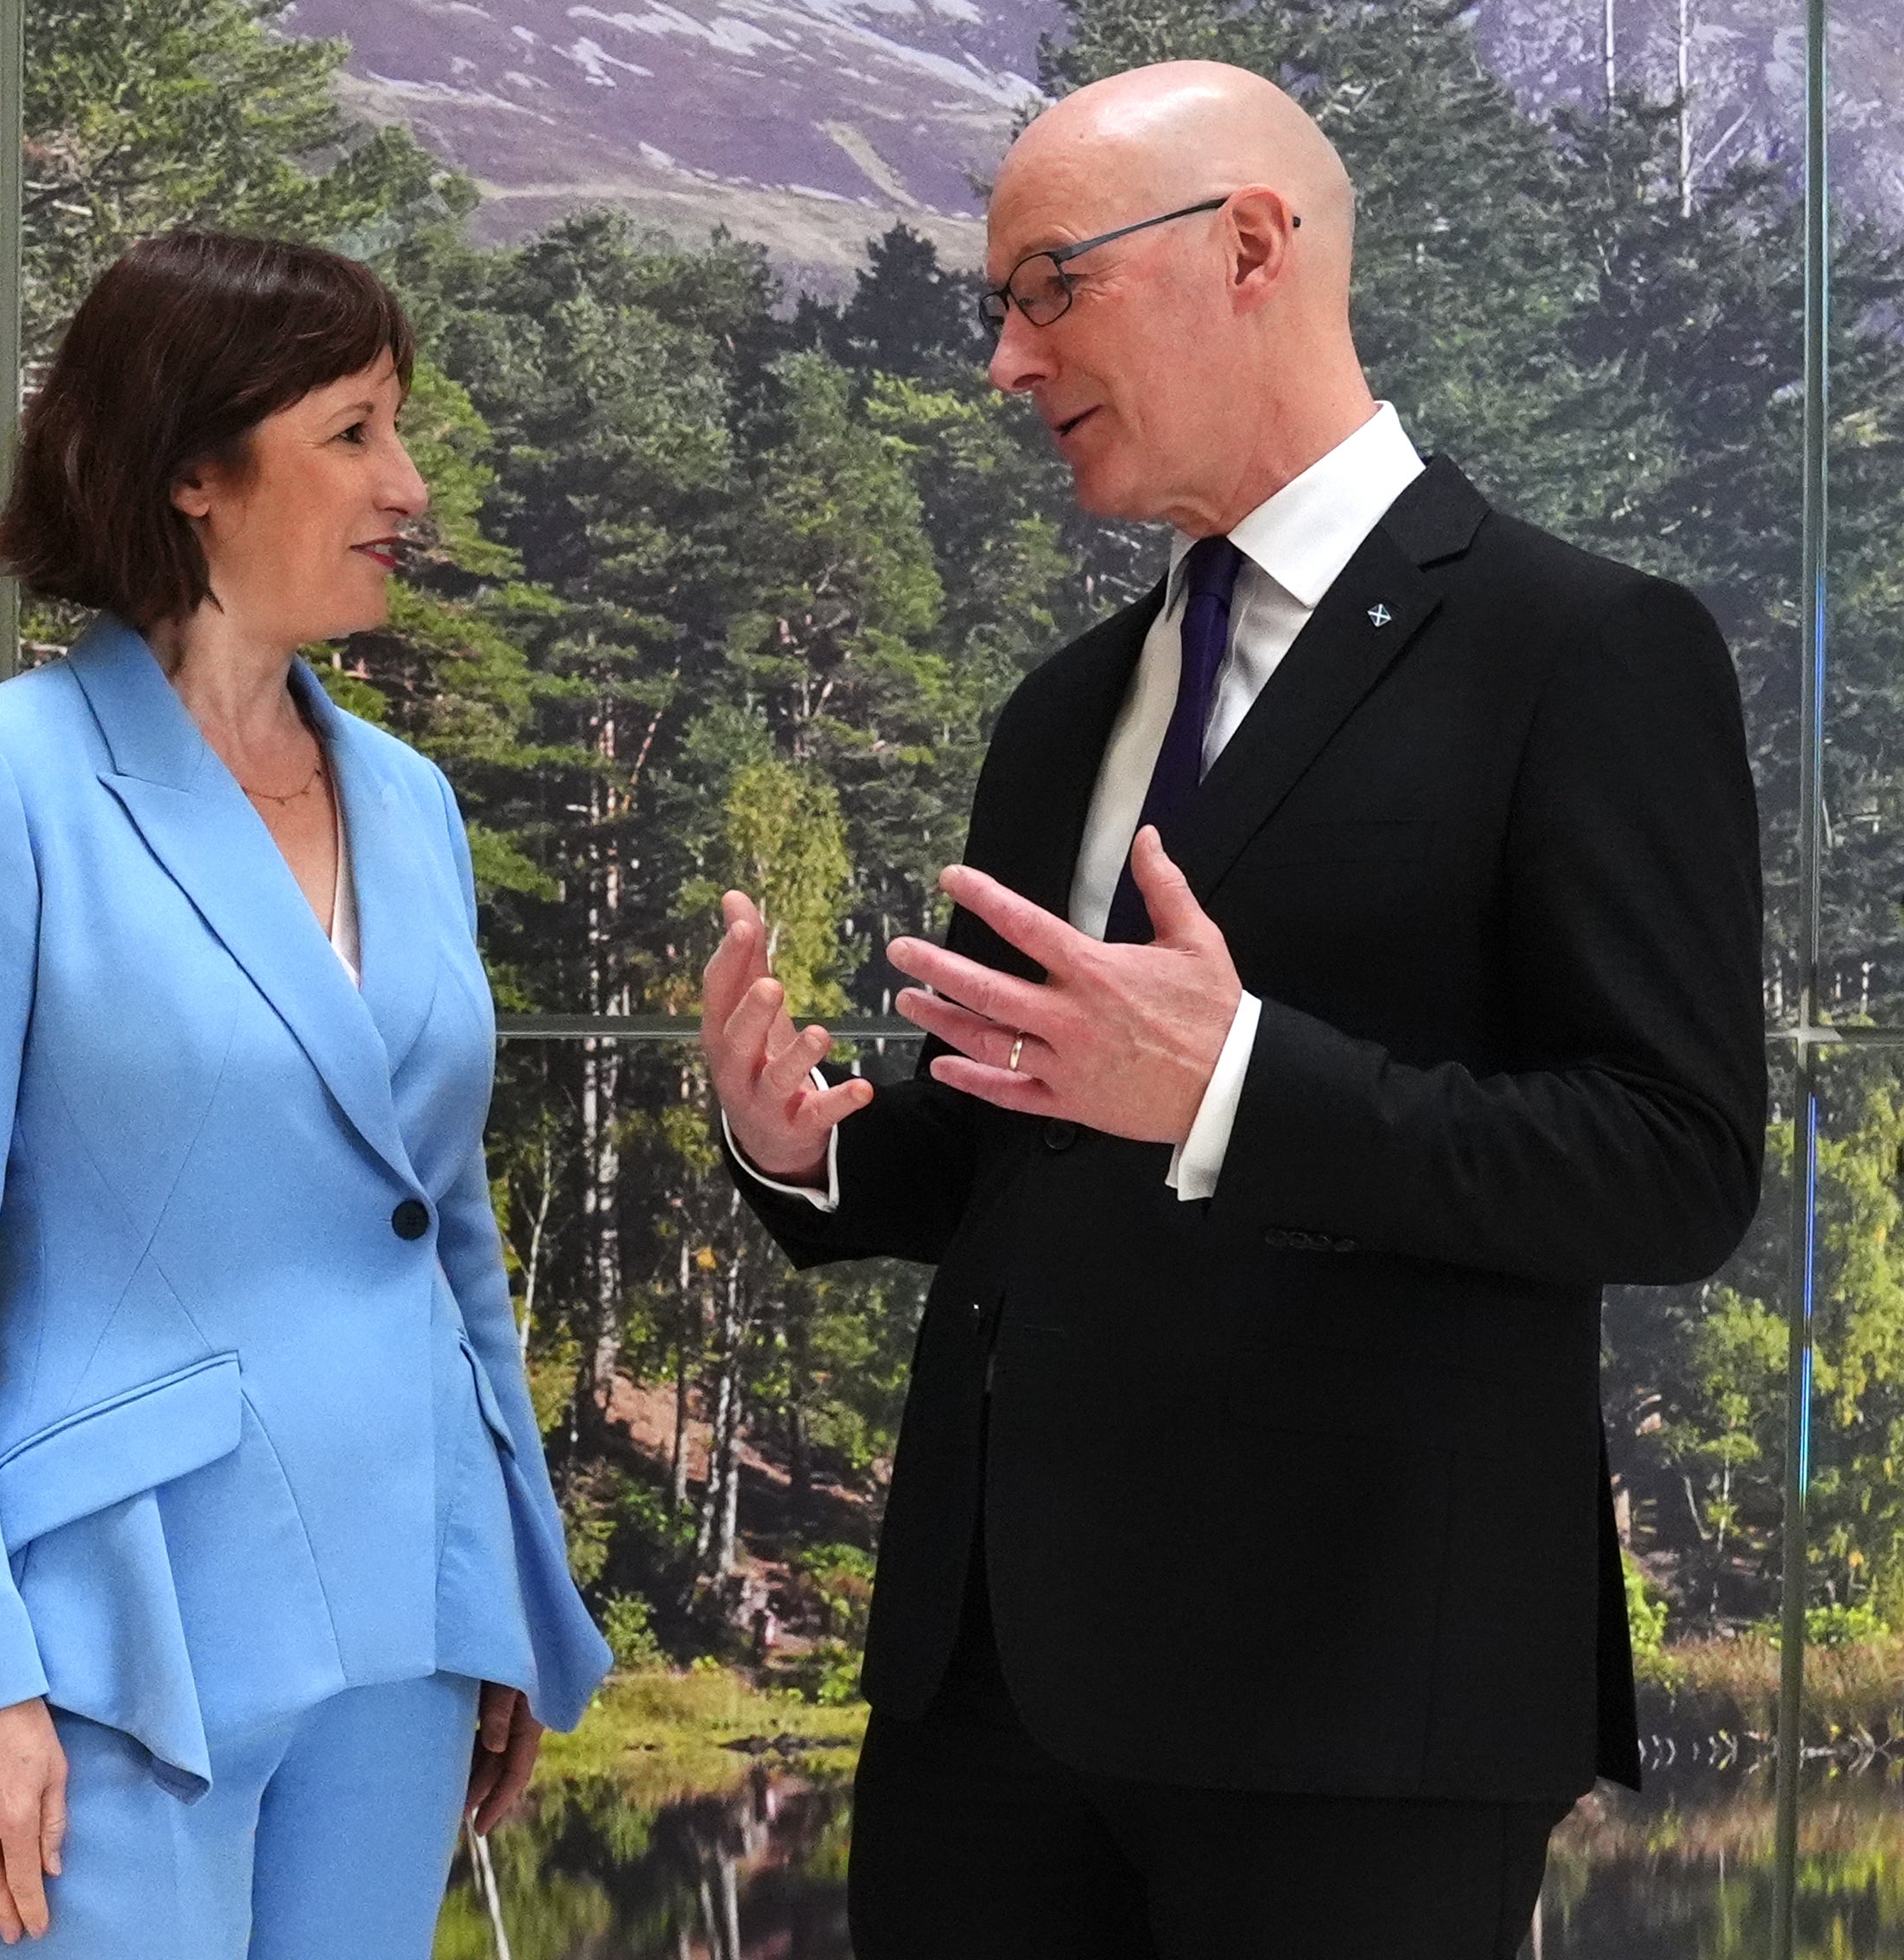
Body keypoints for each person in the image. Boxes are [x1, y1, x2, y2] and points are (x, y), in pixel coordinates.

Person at [700, 61, 1765, 1958]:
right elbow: (1025, 1134)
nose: (1006, 366)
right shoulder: (1063, 708)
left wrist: (1241, 1081)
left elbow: (1667, 1162)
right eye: (994, 309)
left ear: (1249, 246)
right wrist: (810, 1153)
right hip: (984, 1694)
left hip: (1357, 1705)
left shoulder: (1581, 651)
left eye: (1047, 289)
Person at [0, 229, 610, 1958]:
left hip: (403, 1623)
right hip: (112, 1641)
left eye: (399, 429)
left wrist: (509, 1591)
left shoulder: (411, 803)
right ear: (190, 466)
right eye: (352, 432)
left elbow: (444, 1228)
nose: (406, 485)